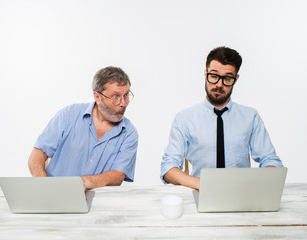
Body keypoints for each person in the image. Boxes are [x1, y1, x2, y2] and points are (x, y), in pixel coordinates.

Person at [160, 46, 283, 190]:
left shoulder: (251, 117)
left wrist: (255, 185)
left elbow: (271, 160)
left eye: (227, 78)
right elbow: (168, 167)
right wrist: (201, 185)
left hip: (241, 195)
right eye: (214, 76)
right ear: (205, 75)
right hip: (201, 192)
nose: (219, 84)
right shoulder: (185, 118)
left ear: (235, 79)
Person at [28, 66, 138, 189]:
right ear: (97, 97)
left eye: (126, 95)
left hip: (98, 204)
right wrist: (42, 183)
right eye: (115, 97)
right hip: (53, 198)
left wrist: (81, 184)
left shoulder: (129, 133)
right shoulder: (69, 115)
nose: (123, 103)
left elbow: (117, 176)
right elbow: (38, 153)